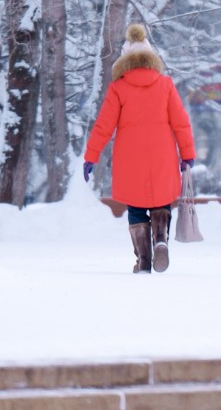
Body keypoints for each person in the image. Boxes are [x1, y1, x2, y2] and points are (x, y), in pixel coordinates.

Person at [83, 23, 195, 273]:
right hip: (162, 155)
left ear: (125, 62)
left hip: (129, 158)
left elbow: (103, 126)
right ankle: (161, 240)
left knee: (135, 205)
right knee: (161, 200)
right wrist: (187, 154)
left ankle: (143, 260)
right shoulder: (165, 85)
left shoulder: (118, 88)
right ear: (150, 58)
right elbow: (181, 123)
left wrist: (91, 157)